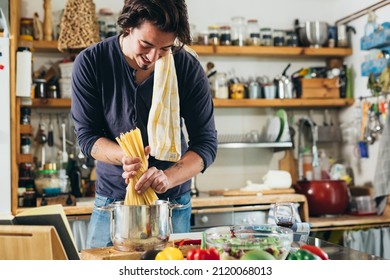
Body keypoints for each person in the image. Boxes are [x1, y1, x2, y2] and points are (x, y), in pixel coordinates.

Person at [71, 0, 218, 249]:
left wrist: (168, 177)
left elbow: (206, 144)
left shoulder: (186, 66)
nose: (152, 58)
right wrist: (125, 156)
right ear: (128, 26)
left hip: (172, 206)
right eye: (146, 45)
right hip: (113, 204)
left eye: (165, 49)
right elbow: (87, 137)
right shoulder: (91, 62)